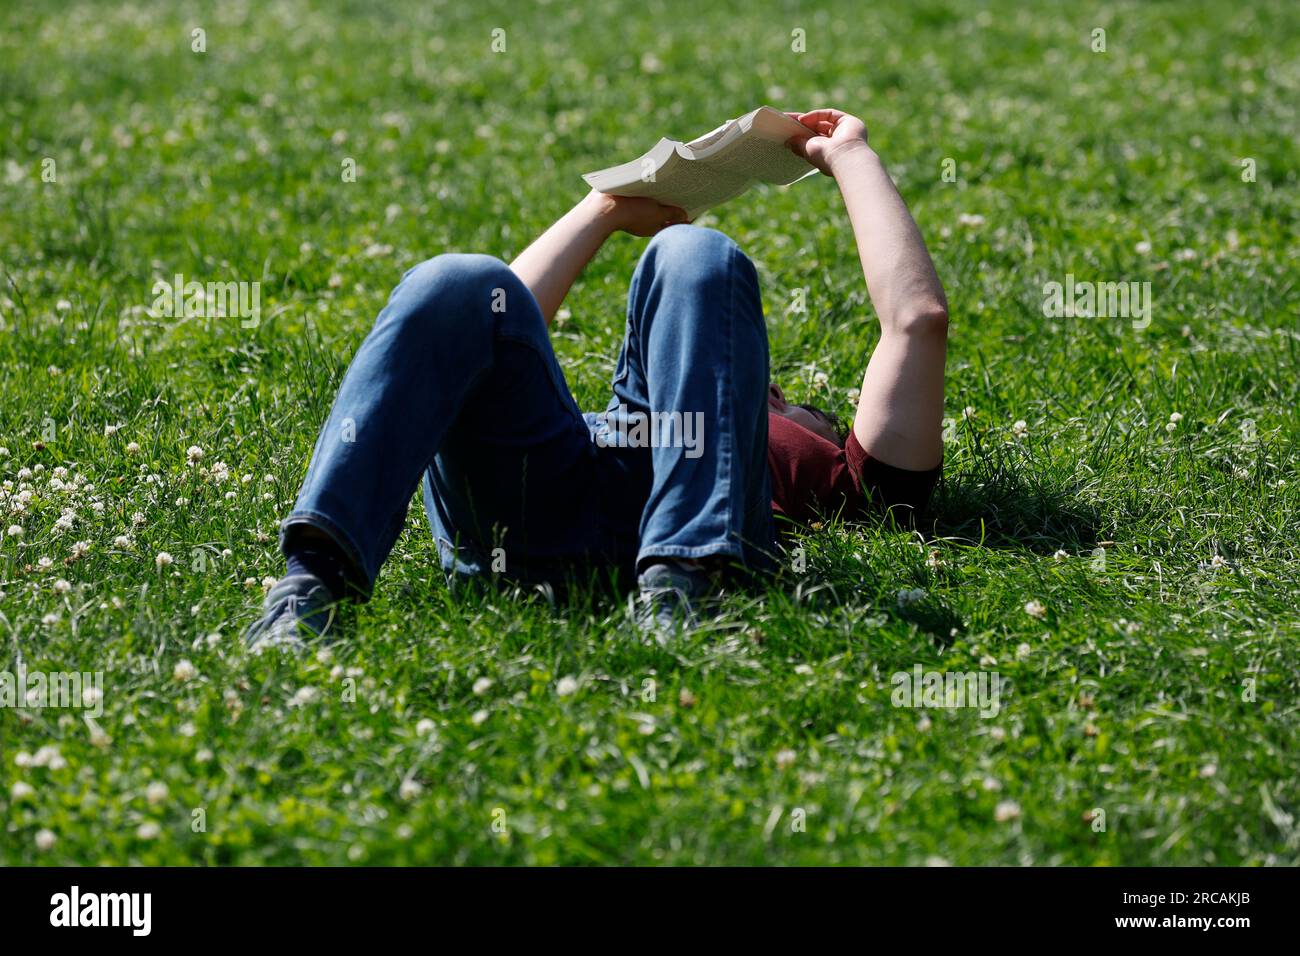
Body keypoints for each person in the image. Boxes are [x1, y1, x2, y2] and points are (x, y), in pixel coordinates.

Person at [244, 108, 948, 648]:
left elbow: (916, 320)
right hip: (549, 496)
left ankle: (684, 588)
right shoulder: (682, 390)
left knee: (696, 254)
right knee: (458, 279)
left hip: (694, 525)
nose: (790, 401)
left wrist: (850, 155)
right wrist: (604, 210)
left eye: (808, 410)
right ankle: (313, 586)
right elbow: (489, 324)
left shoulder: (853, 480)